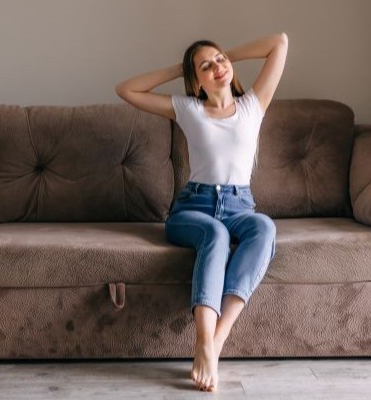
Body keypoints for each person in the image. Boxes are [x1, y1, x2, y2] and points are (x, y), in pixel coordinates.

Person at [115, 33, 289, 392]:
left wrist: (228, 53)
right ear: (196, 80)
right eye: (205, 66)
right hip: (194, 208)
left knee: (265, 228)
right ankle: (202, 339)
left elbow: (280, 43)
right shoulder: (188, 108)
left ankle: (215, 340)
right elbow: (126, 89)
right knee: (217, 235)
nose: (217, 67)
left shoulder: (253, 105)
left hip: (241, 206)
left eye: (220, 60)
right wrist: (178, 68)